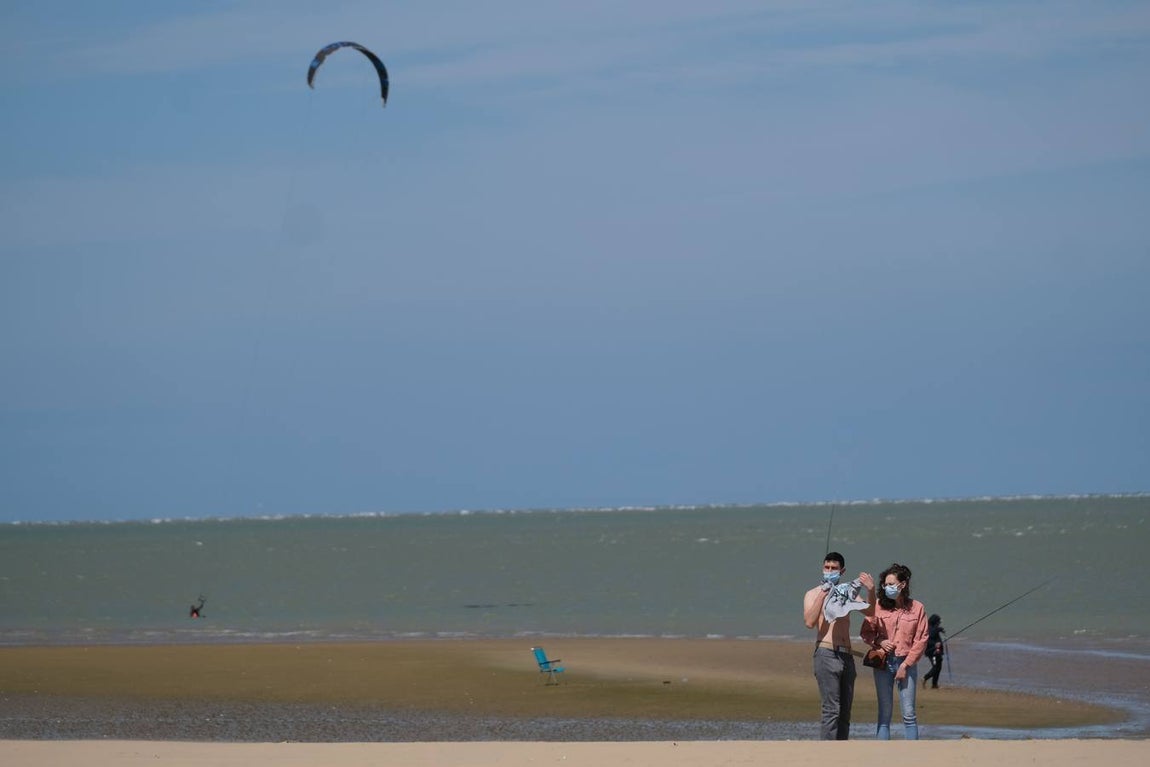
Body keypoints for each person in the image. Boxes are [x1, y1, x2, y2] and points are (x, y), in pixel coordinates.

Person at [803, 552, 875, 740]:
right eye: (827, 568)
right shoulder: (812, 594)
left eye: (834, 569)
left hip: (846, 655)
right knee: (831, 710)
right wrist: (823, 594)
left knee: (845, 712)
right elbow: (809, 622)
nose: (830, 571)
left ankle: (841, 753)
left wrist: (871, 590)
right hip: (826, 653)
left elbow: (871, 611)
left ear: (842, 571)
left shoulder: (847, 592)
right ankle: (827, 754)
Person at [861, 563, 929, 740]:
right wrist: (880, 641)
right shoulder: (878, 606)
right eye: (885, 584)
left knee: (909, 713)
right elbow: (866, 632)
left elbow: (921, 639)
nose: (888, 588)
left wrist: (905, 665)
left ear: (903, 584)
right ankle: (882, 753)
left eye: (892, 584)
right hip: (883, 663)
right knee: (884, 713)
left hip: (906, 664)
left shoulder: (917, 608)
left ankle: (912, 754)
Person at [922, 613, 945, 689]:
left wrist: (940, 629)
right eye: (938, 622)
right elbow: (928, 640)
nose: (939, 623)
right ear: (935, 622)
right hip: (932, 653)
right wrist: (936, 645)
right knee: (936, 667)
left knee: (938, 667)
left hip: (937, 652)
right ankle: (925, 678)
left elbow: (935, 632)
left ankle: (934, 685)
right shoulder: (930, 629)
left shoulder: (934, 628)